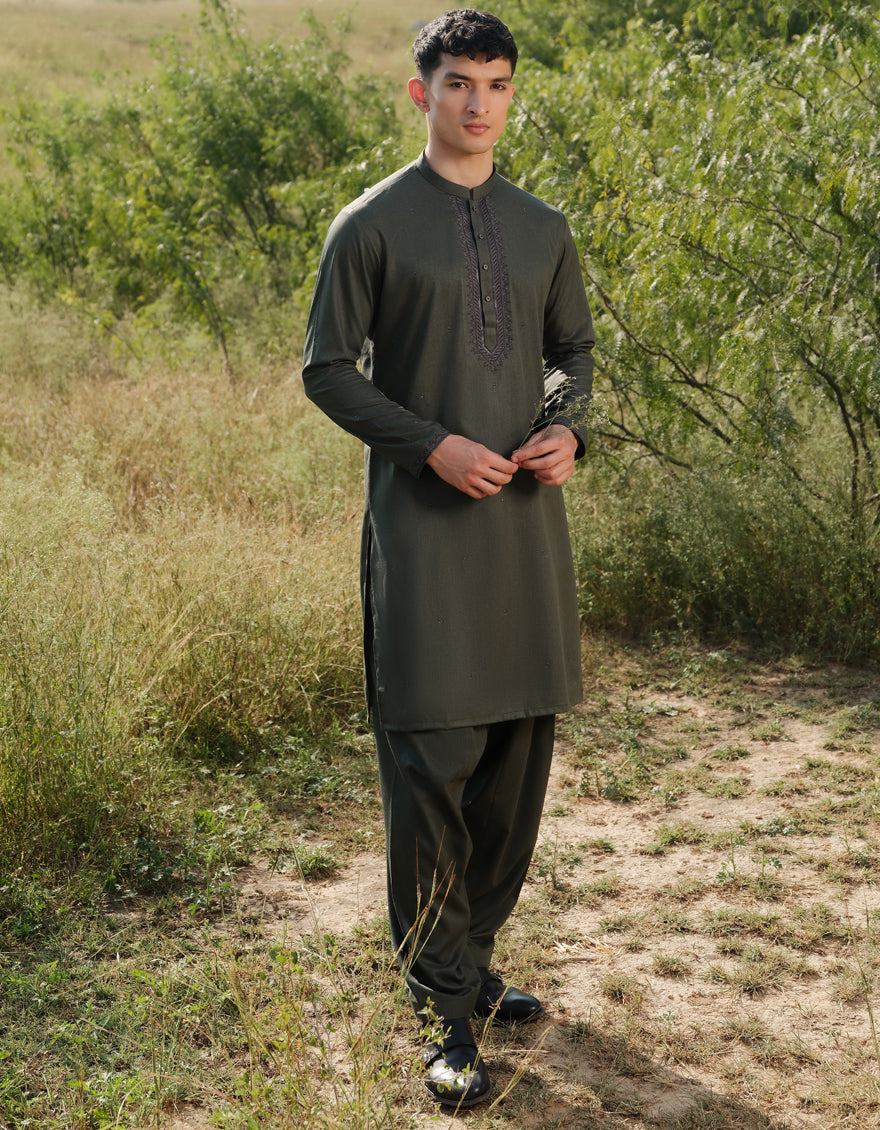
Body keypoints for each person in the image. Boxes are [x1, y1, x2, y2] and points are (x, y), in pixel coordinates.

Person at [302, 8, 594, 1109]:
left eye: (498, 84)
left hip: (524, 536)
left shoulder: (542, 227)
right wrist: (430, 443)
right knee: (431, 769)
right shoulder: (370, 225)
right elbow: (328, 370)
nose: (480, 103)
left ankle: (469, 960)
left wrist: (568, 429)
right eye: (460, 82)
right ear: (420, 92)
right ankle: (443, 1012)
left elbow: (571, 354)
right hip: (424, 537)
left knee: (514, 769)